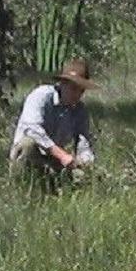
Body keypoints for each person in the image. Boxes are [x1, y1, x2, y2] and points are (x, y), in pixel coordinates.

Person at [9, 57, 95, 187]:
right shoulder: (41, 96)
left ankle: (52, 185)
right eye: (73, 88)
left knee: (84, 179)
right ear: (63, 83)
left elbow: (83, 141)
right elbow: (32, 129)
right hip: (32, 155)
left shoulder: (80, 111)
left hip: (53, 160)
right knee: (28, 143)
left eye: (81, 90)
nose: (77, 94)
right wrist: (61, 154)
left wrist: (86, 160)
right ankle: (20, 185)